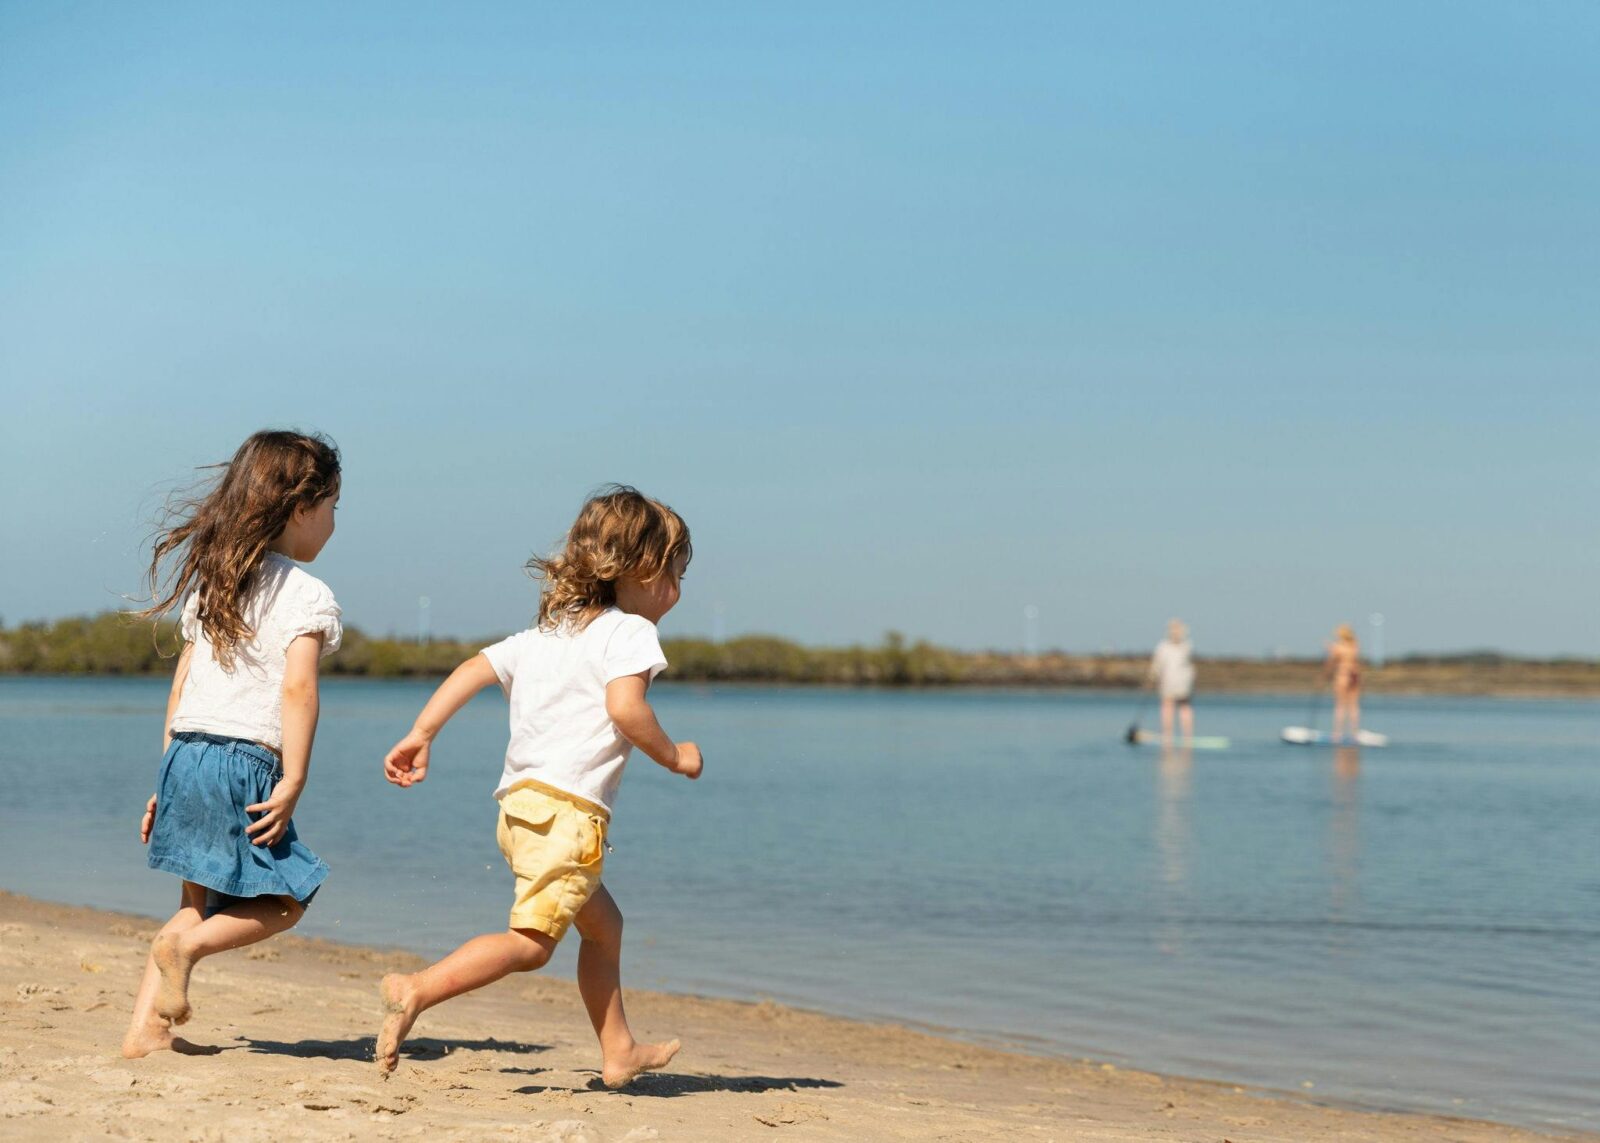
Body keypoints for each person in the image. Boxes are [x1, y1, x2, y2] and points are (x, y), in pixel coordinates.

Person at [376, 485, 702, 1089]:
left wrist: (422, 732)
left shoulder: (546, 634)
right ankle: (417, 990)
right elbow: (627, 711)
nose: (677, 593)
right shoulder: (629, 633)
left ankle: (619, 1048)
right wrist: (676, 757)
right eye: (674, 576)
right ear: (640, 570)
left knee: (606, 927)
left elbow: (476, 667)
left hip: (519, 809)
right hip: (569, 818)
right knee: (530, 946)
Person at [123, 430, 343, 1059]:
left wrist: (164, 780)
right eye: (332, 505)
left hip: (185, 754)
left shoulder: (216, 584)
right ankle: (185, 951)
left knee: (195, 901)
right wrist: (293, 779)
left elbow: (182, 686)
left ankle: (146, 1033)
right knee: (288, 897)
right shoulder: (307, 594)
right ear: (300, 508)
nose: (334, 521)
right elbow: (298, 690)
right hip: (241, 761)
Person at [1147, 618, 1196, 742]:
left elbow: (1157, 664)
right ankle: (1184, 735)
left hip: (1177, 681)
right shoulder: (1185, 646)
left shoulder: (1179, 646)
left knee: (1175, 705)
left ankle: (1173, 735)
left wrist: (1153, 675)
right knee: (1178, 706)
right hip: (1176, 681)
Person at [1325, 623, 1363, 742]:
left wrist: (1330, 649)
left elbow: (1331, 662)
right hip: (1355, 676)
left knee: (1340, 706)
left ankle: (1337, 734)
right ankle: (1354, 733)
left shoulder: (1339, 647)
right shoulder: (1355, 646)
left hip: (1342, 676)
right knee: (1353, 706)